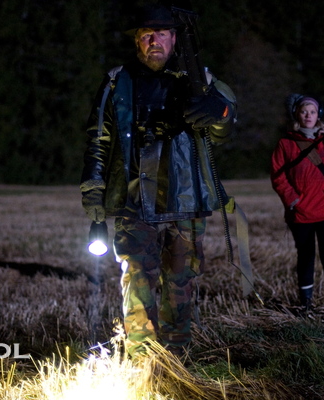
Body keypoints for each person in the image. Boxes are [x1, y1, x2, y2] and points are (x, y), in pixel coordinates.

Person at [79, 3, 237, 358]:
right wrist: (93, 187)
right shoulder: (117, 81)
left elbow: (225, 126)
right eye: (146, 35)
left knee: (180, 282)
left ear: (174, 38)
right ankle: (142, 360)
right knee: (137, 282)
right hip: (134, 201)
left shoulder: (200, 80)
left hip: (187, 201)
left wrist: (220, 110)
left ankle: (176, 358)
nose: (154, 41)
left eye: (161, 34)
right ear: (137, 40)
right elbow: (99, 138)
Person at [270, 94, 324, 317]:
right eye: (304, 111)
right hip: (300, 213)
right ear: (296, 115)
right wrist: (292, 199)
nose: (308, 116)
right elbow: (278, 176)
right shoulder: (286, 143)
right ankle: (305, 304)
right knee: (305, 256)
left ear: (319, 115)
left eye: (313, 112)